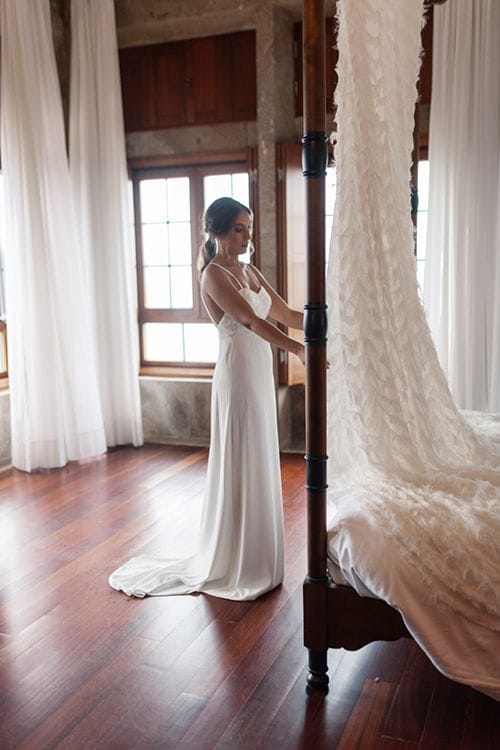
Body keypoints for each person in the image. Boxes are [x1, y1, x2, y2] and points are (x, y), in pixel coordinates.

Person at [108, 197, 304, 600]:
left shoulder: (249, 270)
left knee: (260, 452)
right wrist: (297, 349)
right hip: (237, 375)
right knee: (241, 453)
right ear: (217, 232)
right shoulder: (213, 275)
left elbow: (283, 311)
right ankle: (235, 559)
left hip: (258, 371)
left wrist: (330, 321)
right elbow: (251, 320)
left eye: (249, 226)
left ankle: (260, 554)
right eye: (239, 228)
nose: (248, 235)